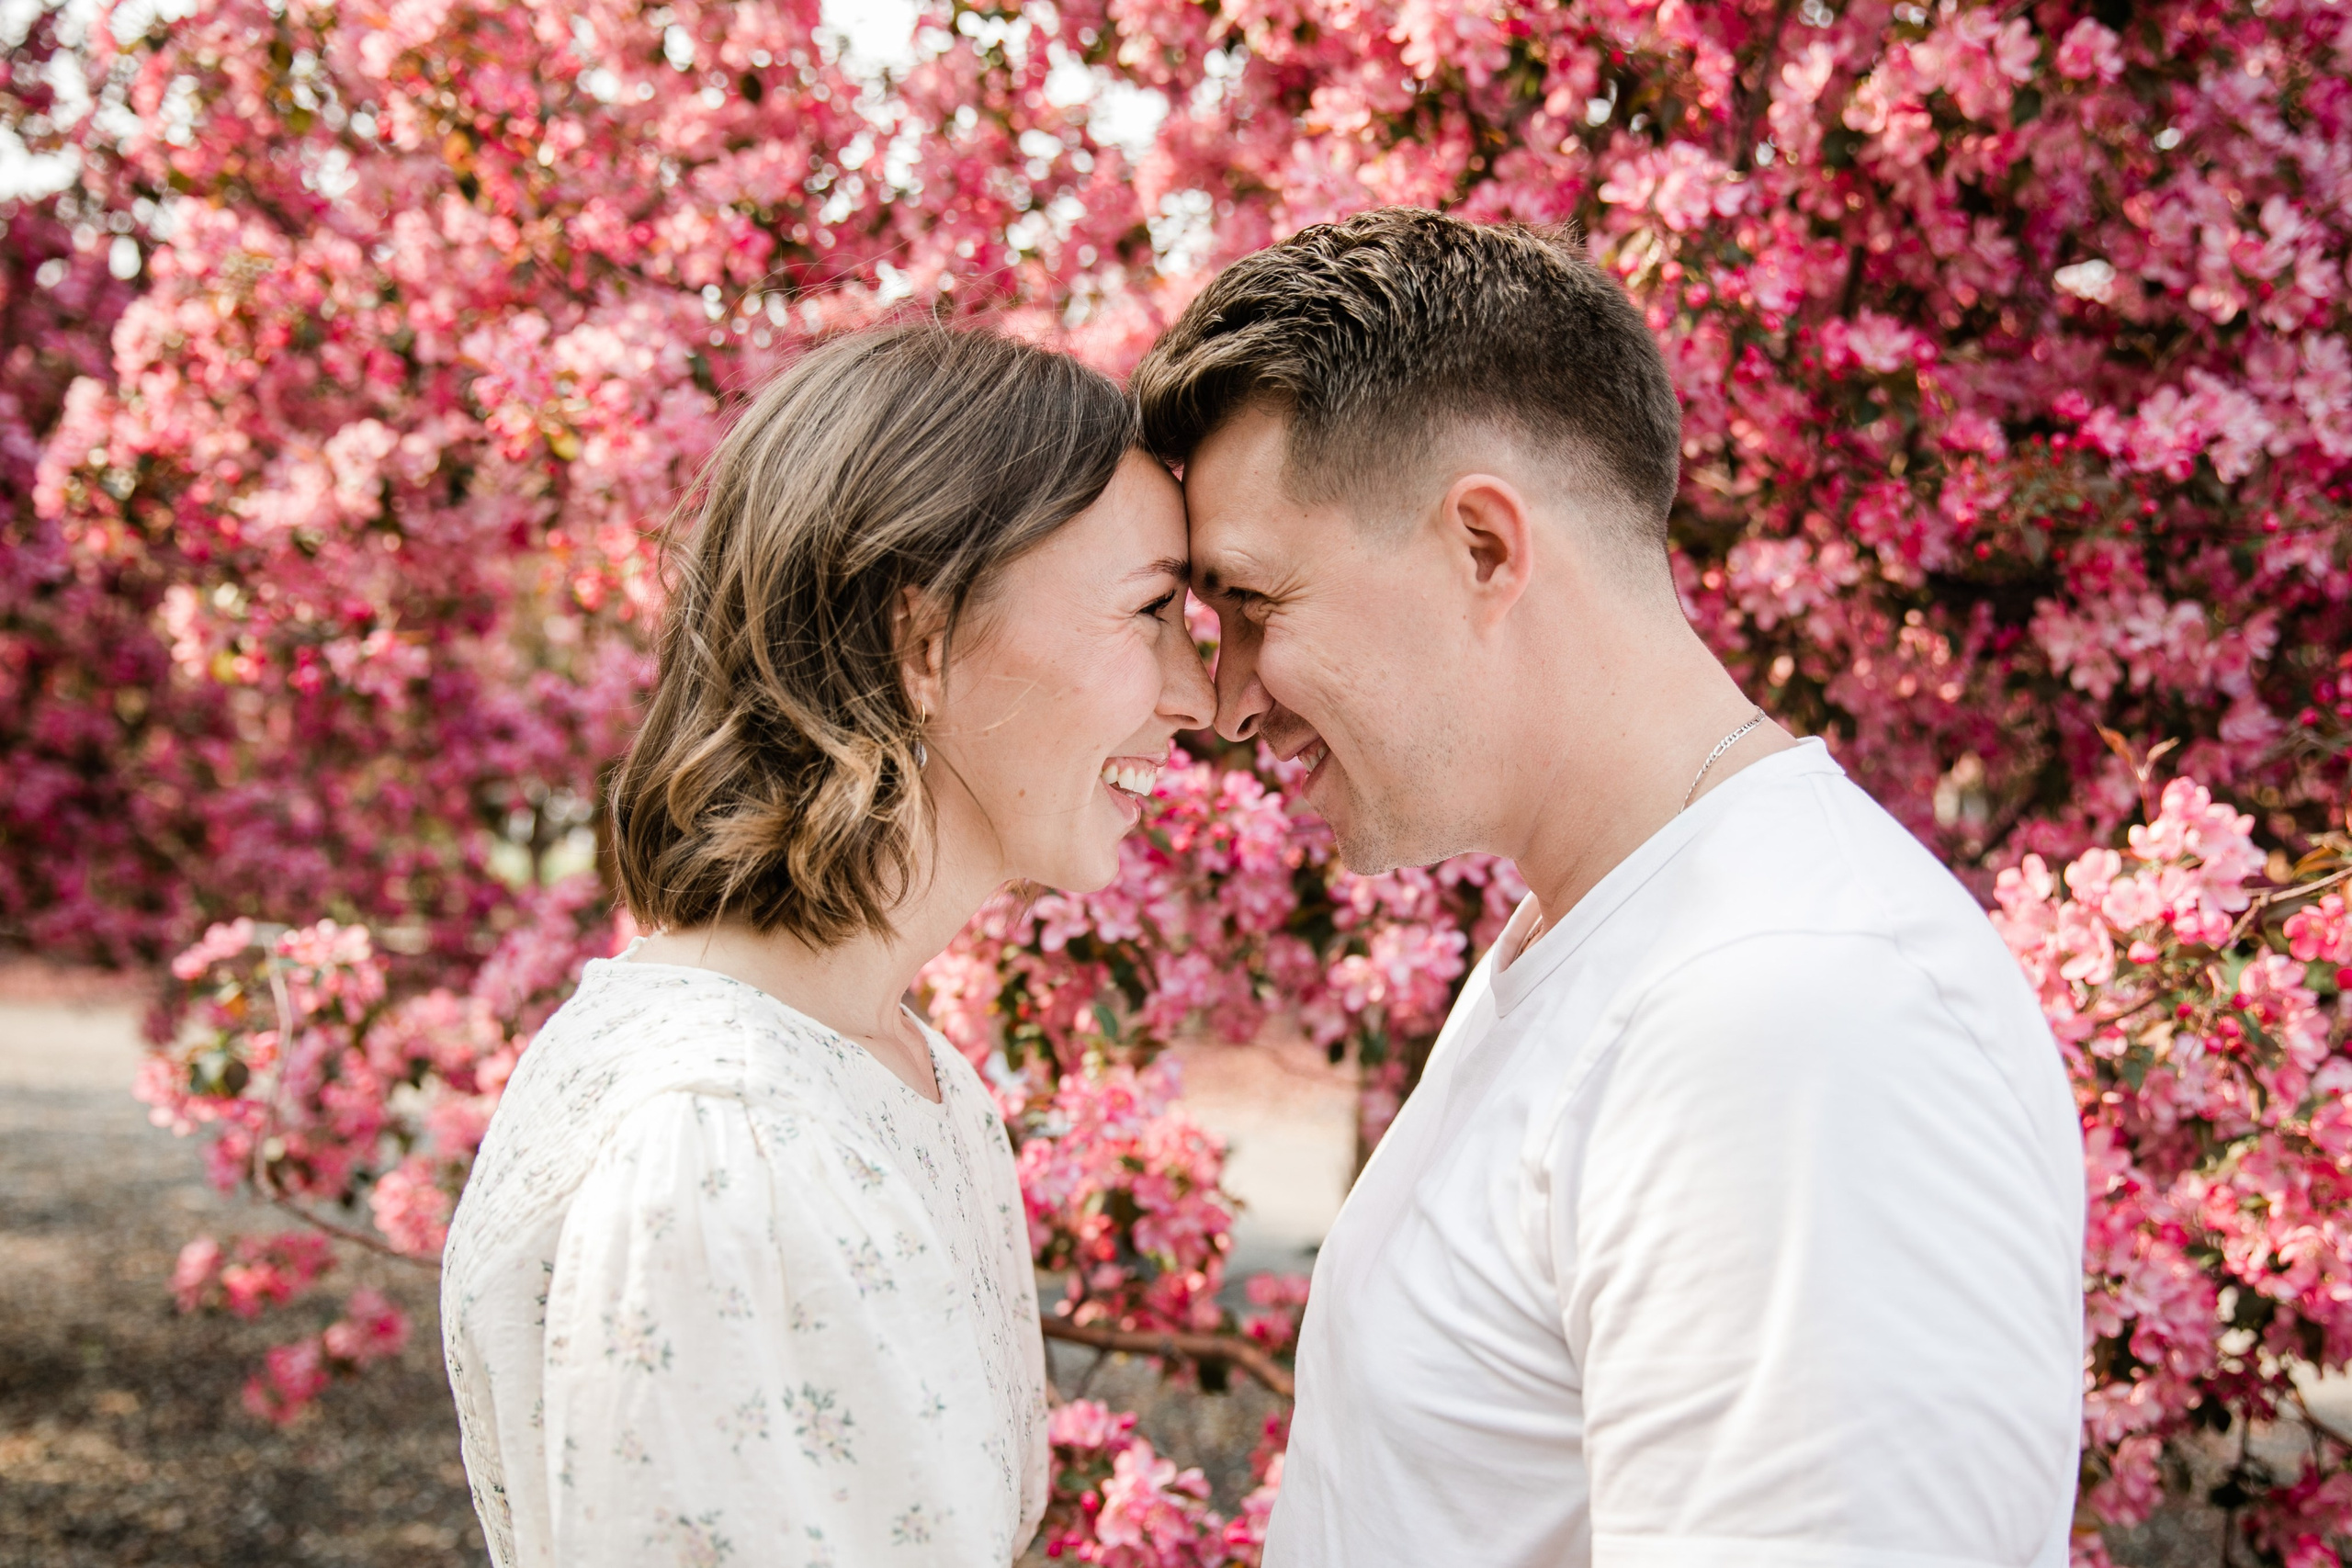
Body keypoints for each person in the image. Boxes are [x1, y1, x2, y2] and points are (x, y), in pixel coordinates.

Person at [1133, 209, 2085, 1568]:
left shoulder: (1793, 1014)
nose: (1225, 705)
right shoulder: (1612, 928)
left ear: (1482, 549)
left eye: (1257, 605)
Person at [441, 325, 1216, 1568]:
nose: (1202, 698)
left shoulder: (892, 1063)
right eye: (1147, 614)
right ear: (920, 641)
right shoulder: (712, 1147)